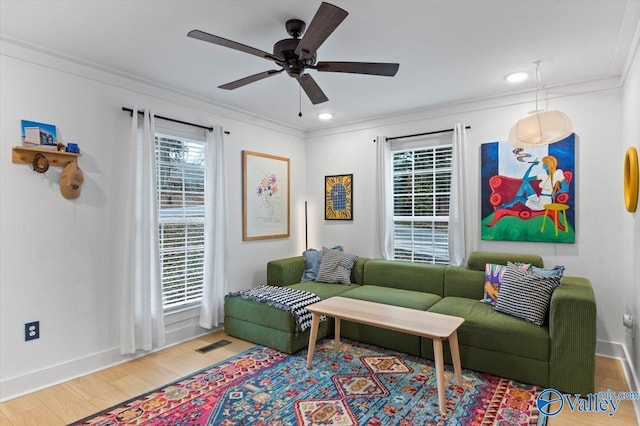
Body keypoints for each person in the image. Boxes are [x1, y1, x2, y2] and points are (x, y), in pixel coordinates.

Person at [500, 155, 568, 211]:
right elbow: (525, 179)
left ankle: (508, 204)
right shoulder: (543, 176)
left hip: (542, 204)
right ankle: (511, 203)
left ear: (548, 165)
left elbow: (565, 188)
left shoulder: (558, 173)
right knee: (525, 183)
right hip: (538, 199)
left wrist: (554, 194)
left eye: (544, 163)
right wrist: (532, 165)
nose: (543, 165)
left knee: (518, 198)